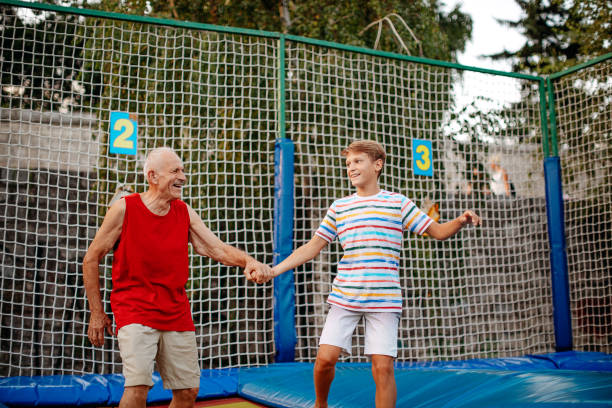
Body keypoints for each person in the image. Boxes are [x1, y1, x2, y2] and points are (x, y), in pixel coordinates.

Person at [254, 140, 480, 408]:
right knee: (325, 360)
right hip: (346, 295)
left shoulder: (398, 203)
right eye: (348, 163)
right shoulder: (339, 207)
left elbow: (439, 231)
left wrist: (461, 220)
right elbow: (312, 247)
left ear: (377, 165)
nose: (351, 167)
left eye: (358, 161)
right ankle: (320, 404)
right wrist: (274, 270)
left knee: (382, 368)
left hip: (384, 298)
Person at [82, 146, 270, 408]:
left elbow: (215, 248)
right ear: (153, 176)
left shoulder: (184, 211)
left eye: (182, 170)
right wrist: (96, 312)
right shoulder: (124, 209)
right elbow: (91, 259)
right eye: (175, 171)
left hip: (175, 311)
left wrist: (248, 261)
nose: (182, 176)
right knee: (138, 387)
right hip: (134, 308)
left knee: (188, 391)